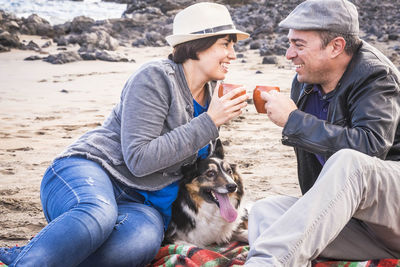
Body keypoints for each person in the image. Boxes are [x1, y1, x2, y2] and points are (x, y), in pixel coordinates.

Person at [0, 2, 249, 267]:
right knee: (99, 214)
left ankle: (29, 255)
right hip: (90, 172)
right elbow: (139, 159)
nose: (233, 54)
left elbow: (195, 167)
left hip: (143, 206)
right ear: (198, 45)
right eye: (226, 44)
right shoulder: (155, 77)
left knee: (138, 244)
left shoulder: (212, 97)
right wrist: (210, 121)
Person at [245, 0, 400, 266]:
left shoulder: (375, 76)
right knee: (265, 212)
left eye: (299, 45)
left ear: (336, 46)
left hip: (392, 214)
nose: (289, 54)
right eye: (290, 43)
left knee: (350, 161)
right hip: (365, 230)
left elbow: (370, 148)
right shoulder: (304, 83)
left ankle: (265, 263)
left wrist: (294, 121)